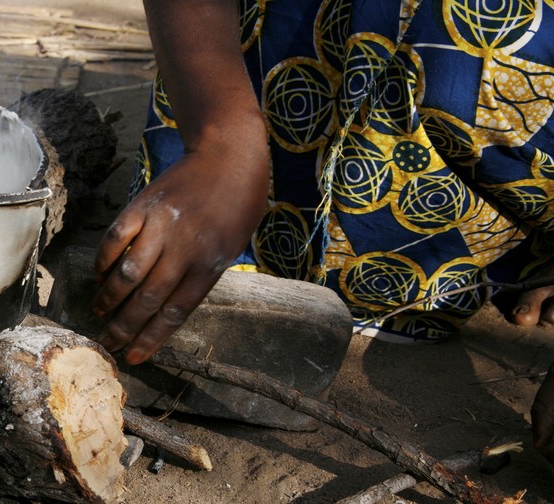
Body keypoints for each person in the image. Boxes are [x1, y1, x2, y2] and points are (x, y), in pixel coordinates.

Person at [91, 0, 554, 461]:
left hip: (498, 138)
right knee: (182, 257)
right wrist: (220, 141)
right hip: (263, 66)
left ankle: (528, 250)